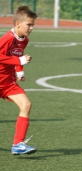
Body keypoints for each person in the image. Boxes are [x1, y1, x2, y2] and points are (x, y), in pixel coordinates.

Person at [0, 6, 37, 155]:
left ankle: (18, 144)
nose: (31, 28)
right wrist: (19, 60)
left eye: (33, 24)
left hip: (7, 83)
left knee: (26, 104)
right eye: (29, 24)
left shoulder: (24, 40)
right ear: (17, 24)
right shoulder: (7, 38)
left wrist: (19, 70)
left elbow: (17, 55)